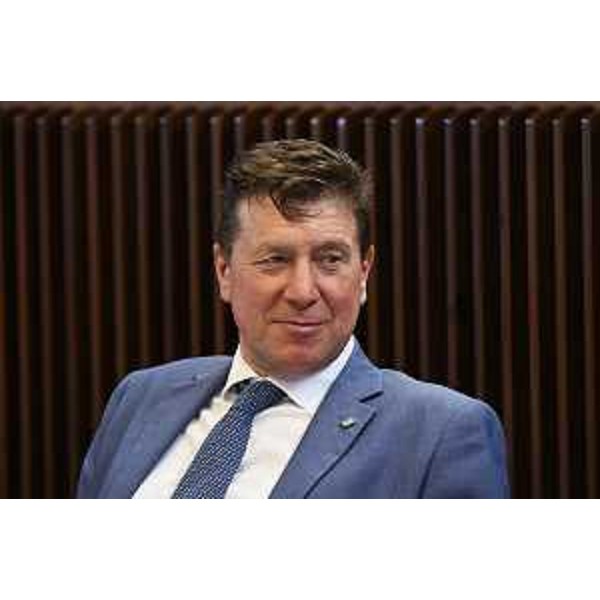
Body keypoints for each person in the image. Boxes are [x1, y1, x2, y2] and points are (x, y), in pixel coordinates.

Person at [77, 139, 509, 499]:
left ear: (363, 273)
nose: (303, 291)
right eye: (275, 259)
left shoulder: (440, 432)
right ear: (224, 271)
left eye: (330, 259)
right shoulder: (141, 398)